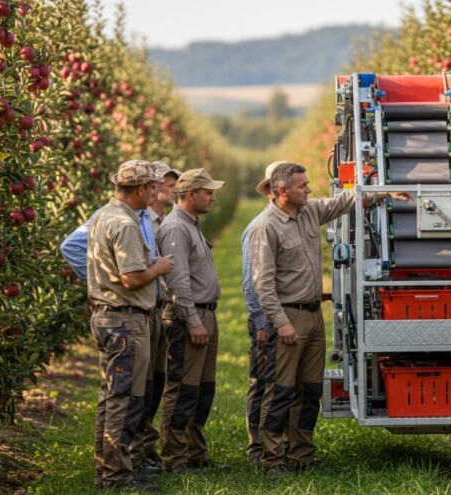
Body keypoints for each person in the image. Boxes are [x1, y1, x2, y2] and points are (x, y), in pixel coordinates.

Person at [249, 161, 411, 479]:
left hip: (312, 316)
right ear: (283, 191)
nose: (309, 189)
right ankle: (273, 459)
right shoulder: (266, 227)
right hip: (288, 316)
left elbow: (343, 202)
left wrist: (383, 192)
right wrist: (281, 323)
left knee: (309, 390)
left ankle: (302, 453)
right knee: (280, 390)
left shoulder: (309, 211)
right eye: (302, 185)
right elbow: (263, 285)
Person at [86, 160, 174, 491]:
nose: (156, 192)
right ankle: (118, 477)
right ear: (139, 189)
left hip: (109, 314)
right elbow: (132, 277)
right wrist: (159, 267)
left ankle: (105, 470)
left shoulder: (103, 215)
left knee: (111, 397)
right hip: (125, 320)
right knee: (125, 399)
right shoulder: (124, 224)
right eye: (152, 187)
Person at [157, 168, 228, 474]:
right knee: (182, 388)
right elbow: (178, 281)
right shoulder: (176, 228)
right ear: (189, 195)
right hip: (190, 317)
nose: (213, 197)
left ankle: (195, 453)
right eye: (207, 191)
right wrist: (193, 320)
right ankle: (174, 458)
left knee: (203, 389)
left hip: (205, 314)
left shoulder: (192, 225)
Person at [136, 161, 182, 468]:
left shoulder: (161, 220)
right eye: (167, 183)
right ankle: (137, 448)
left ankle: (145, 445)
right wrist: (105, 285)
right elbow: (76, 246)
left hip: (158, 307)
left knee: (156, 381)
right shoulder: (137, 220)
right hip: (141, 308)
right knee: (142, 383)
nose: (171, 189)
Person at [241, 161, 279, 464]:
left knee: (274, 380)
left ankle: (271, 443)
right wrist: (261, 321)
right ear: (270, 190)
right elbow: (252, 282)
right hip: (266, 319)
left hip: (280, 316)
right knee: (264, 381)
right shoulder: (259, 227)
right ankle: (257, 447)